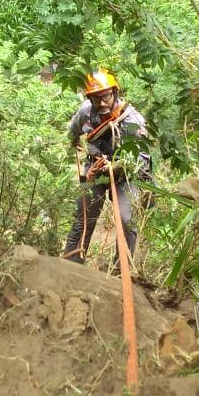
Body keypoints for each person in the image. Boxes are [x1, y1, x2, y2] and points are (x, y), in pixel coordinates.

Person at [63, 68, 151, 267]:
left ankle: (122, 268)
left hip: (125, 176)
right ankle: (71, 262)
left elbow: (142, 159)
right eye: (96, 99)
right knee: (84, 215)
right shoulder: (86, 112)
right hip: (95, 168)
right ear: (90, 99)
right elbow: (73, 131)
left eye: (106, 97)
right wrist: (74, 141)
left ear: (114, 93)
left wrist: (117, 165)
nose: (102, 103)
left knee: (126, 220)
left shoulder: (132, 120)